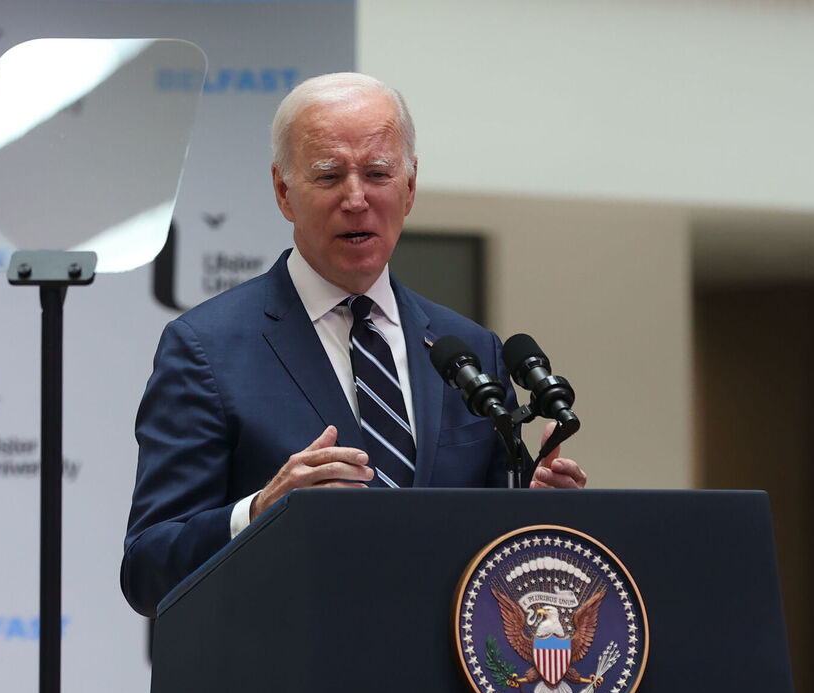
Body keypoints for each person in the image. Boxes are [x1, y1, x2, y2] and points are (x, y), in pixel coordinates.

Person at [122, 73, 585, 617]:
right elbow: (147, 569)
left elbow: (490, 554)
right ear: (282, 191)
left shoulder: (471, 350)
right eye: (328, 175)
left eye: (378, 173)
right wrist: (260, 511)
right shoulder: (206, 349)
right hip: (289, 686)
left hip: (443, 686)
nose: (356, 197)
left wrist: (532, 516)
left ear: (410, 188)